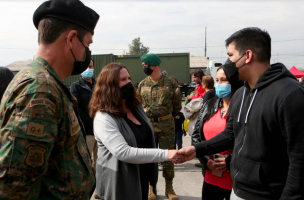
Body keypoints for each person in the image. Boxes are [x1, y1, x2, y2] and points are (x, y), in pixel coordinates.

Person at [178, 27, 304, 200]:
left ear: (248, 56)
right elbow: (231, 133)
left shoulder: (289, 94)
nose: (228, 62)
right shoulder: (241, 93)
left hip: (269, 195)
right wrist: (196, 149)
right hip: (237, 191)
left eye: (230, 55)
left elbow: (299, 158)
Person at [0, 0, 99, 199]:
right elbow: (15, 189)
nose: (87, 53)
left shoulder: (48, 83)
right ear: (71, 39)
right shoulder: (40, 91)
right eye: (86, 44)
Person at [89, 63, 180, 200]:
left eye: (129, 78)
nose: (129, 82)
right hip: (120, 183)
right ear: (110, 85)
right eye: (123, 80)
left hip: (141, 179)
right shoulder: (104, 116)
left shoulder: (135, 107)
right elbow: (123, 152)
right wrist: (165, 154)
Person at [192, 67, 242, 200]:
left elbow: (250, 141)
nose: (219, 84)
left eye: (224, 80)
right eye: (217, 80)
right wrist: (206, 160)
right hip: (210, 174)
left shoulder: (243, 107)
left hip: (236, 176)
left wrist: (231, 160)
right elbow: (196, 136)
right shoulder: (209, 105)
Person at [138, 53, 182, 200]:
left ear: (155, 65)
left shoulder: (170, 83)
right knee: (150, 158)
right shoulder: (142, 84)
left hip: (167, 125)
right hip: (148, 125)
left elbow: (177, 106)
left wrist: (166, 117)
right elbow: (138, 106)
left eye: (147, 65)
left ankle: (169, 188)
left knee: (169, 157)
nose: (144, 68)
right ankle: (152, 188)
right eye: (143, 66)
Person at [70, 59, 97, 169]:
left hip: (100, 132)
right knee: (85, 163)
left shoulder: (99, 85)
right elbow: (76, 108)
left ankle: (100, 186)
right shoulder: (76, 86)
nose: (88, 69)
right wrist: (90, 123)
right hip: (87, 132)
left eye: (90, 66)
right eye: (86, 67)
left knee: (100, 164)